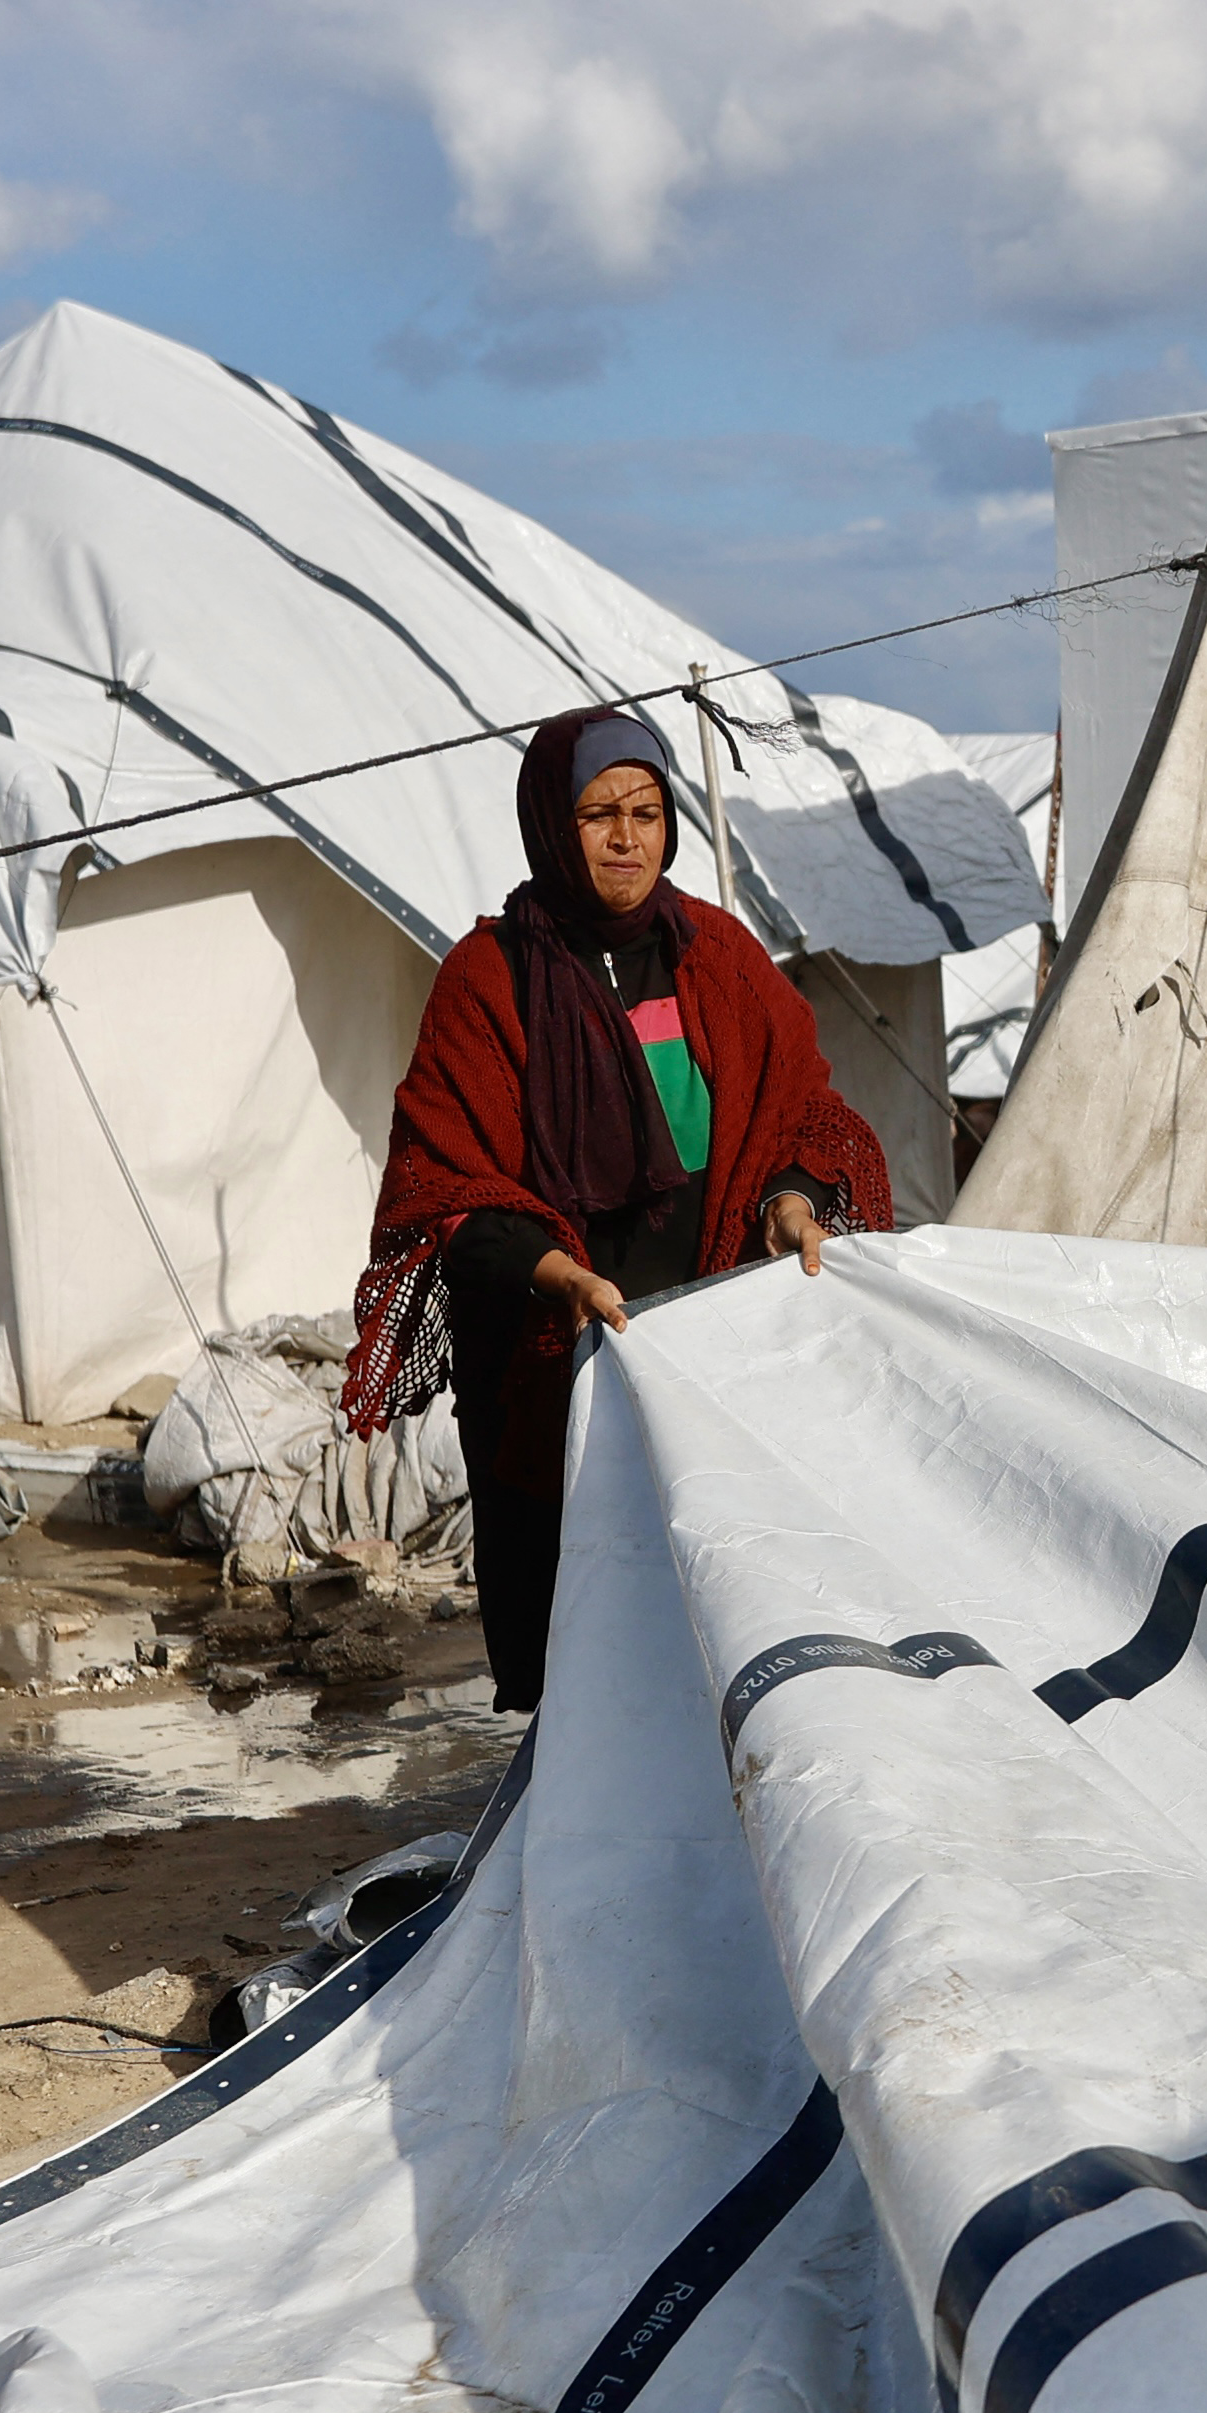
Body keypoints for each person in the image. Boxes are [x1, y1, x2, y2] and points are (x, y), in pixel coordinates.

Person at [340, 706, 892, 1707]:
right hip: (558, 1366)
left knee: (720, 1619)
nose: (629, 839)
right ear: (554, 823)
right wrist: (562, 1277)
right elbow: (445, 1184)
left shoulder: (715, 957)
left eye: (646, 810)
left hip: (711, 1362)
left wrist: (792, 1199)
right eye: (600, 814)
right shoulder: (488, 981)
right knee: (583, 1646)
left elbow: (802, 1109)